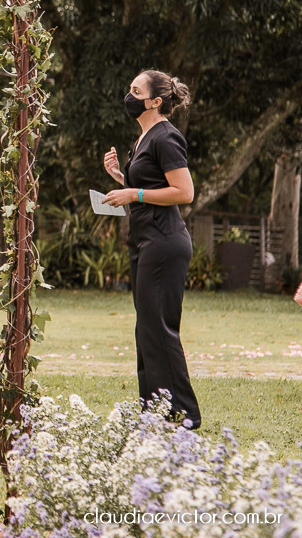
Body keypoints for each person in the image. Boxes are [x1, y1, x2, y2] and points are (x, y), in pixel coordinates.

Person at [102, 69, 201, 429]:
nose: (128, 95)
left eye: (135, 90)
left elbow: (184, 192)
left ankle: (182, 414)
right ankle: (154, 411)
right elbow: (149, 185)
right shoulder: (143, 138)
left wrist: (133, 193)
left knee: (159, 328)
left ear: (155, 101)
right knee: (146, 328)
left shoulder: (165, 137)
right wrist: (120, 178)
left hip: (164, 242)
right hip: (144, 241)